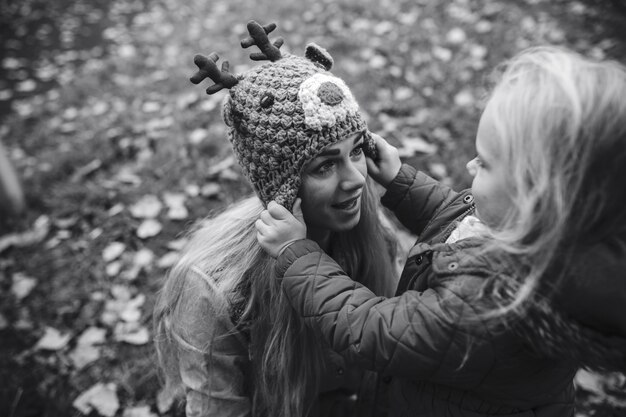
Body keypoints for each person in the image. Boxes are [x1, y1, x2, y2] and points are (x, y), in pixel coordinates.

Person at [255, 45, 626, 416]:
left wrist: (297, 253)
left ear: (535, 198)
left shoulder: (489, 308)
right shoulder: (543, 239)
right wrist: (401, 182)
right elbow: (459, 224)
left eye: (485, 162)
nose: (468, 164)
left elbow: (370, 330)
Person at [153, 21, 398, 417]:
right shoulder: (215, 290)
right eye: (324, 166)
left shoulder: (373, 235)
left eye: (356, 152)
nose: (357, 180)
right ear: (280, 187)